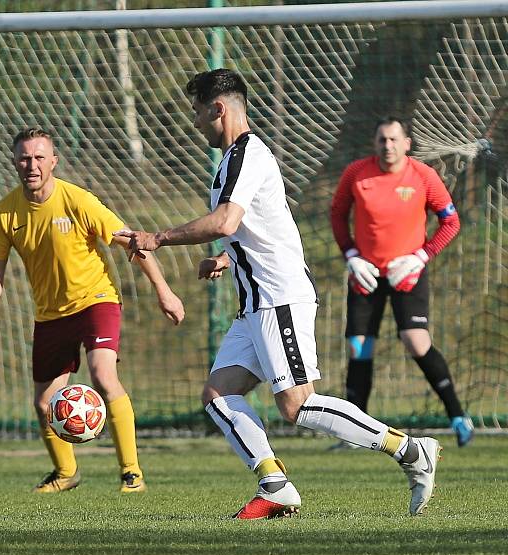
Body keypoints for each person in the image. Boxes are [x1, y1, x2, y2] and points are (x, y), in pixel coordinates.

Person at [117, 69, 440, 518]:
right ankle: (275, 484)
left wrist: (158, 237)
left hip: (277, 297)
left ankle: (409, 449)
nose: (195, 123)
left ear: (218, 109)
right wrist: (227, 260)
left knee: (297, 405)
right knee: (217, 395)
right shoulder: (233, 159)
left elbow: (227, 222)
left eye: (197, 112)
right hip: (255, 302)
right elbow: (263, 230)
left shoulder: (247, 154)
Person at [0, 127, 185, 494]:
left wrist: (164, 291)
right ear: (14, 162)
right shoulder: (7, 212)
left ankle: (131, 472)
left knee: (103, 375)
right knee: (43, 402)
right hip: (50, 314)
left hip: (95, 301)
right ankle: (66, 473)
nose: (31, 165)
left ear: (54, 161)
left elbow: (132, 242)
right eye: (24, 158)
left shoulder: (77, 201)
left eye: (39, 157)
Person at [330, 117, 473, 448]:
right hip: (366, 273)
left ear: (407, 143)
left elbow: (450, 222)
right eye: (382, 139)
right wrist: (351, 254)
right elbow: (337, 215)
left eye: (394, 139)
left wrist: (421, 256)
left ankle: (458, 416)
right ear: (374, 143)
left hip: (407, 272)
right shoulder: (356, 173)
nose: (388, 145)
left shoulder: (424, 176)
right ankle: (355, 435)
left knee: (416, 341)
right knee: (359, 347)